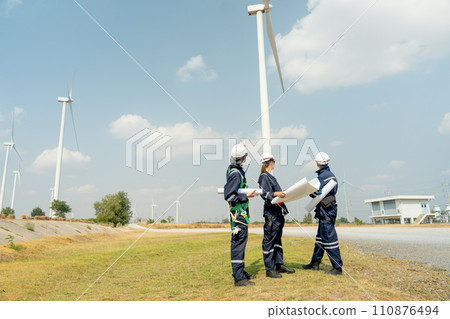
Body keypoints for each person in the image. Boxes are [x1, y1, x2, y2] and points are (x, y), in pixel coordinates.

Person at [302, 152, 343, 275]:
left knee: (329, 239)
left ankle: (337, 267)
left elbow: (319, 194)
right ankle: (315, 263)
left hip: (326, 210)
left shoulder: (323, 176)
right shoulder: (331, 175)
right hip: (326, 210)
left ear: (316, 163)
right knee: (320, 238)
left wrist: (310, 191)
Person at [224, 142, 258, 287]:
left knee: (241, 244)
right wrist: (247, 196)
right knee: (238, 244)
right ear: (242, 159)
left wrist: (242, 146)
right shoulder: (236, 175)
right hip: (238, 215)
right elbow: (229, 196)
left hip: (241, 214)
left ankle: (240, 272)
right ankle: (238, 278)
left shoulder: (233, 169)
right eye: (245, 157)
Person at [258, 153, 295, 278]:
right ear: (270, 162)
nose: (275, 163)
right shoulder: (264, 177)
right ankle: (269, 269)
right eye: (274, 161)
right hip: (271, 214)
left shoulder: (271, 177)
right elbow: (265, 194)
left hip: (278, 213)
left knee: (277, 240)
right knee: (269, 241)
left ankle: (279, 264)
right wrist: (277, 193)